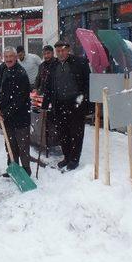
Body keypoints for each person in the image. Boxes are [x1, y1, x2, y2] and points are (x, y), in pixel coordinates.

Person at [42, 41, 90, 171]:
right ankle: (67, 157)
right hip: (59, 105)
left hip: (76, 105)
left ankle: (74, 160)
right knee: (63, 133)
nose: (61, 53)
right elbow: (48, 87)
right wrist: (45, 104)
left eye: (63, 50)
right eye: (58, 51)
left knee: (76, 133)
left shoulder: (80, 63)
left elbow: (87, 84)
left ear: (69, 50)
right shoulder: (53, 66)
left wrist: (84, 102)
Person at [0, 47, 32, 176]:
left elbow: (18, 100)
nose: (8, 59)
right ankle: (13, 168)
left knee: (22, 146)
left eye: (10, 57)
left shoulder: (21, 74)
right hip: (7, 117)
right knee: (10, 145)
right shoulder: (4, 67)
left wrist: (4, 113)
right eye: (6, 57)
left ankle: (25, 172)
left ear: (16, 57)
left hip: (20, 116)